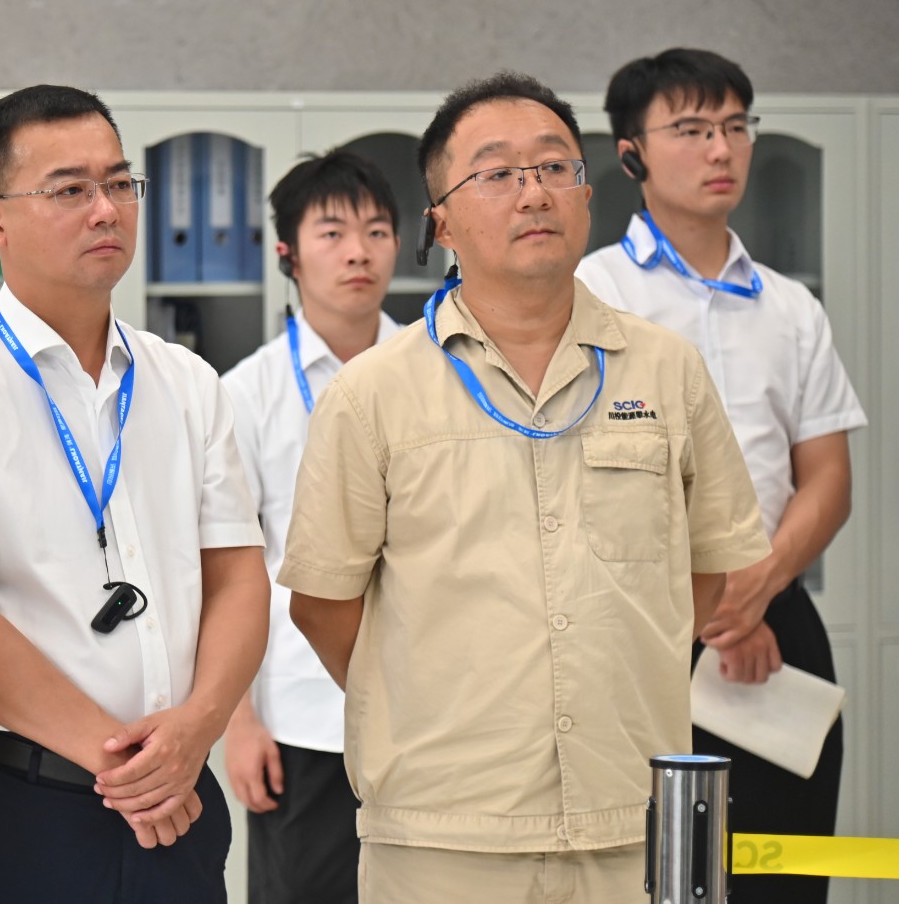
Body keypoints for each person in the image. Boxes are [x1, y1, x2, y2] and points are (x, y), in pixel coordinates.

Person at [279, 71, 771, 903]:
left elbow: (704, 571)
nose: (534, 192)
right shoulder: (372, 393)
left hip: (629, 820)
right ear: (440, 221)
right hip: (440, 835)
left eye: (554, 167)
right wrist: (435, 699)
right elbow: (324, 605)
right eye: (497, 173)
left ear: (586, 195)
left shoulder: (667, 370)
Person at [0, 84, 269, 903]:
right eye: (70, 190)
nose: (106, 210)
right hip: (13, 805)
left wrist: (196, 728)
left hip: (179, 794)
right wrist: (131, 769)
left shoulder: (186, 381)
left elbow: (237, 575)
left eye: (120, 183)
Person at [577, 47, 866, 904]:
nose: (721, 149)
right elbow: (584, 479)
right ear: (631, 153)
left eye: (737, 127)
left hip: (776, 624)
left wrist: (753, 592)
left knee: (785, 869)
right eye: (692, 129)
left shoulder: (789, 306)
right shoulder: (593, 292)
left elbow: (828, 479)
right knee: (648, 876)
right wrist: (712, 607)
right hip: (640, 626)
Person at [219, 149, 402, 904]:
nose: (359, 252)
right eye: (332, 233)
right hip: (300, 716)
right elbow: (225, 571)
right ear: (287, 252)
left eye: (377, 231)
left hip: (431, 710)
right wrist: (237, 722)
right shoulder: (244, 393)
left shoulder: (442, 370)